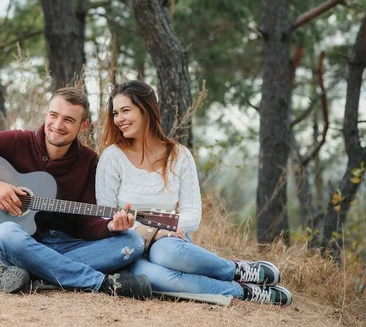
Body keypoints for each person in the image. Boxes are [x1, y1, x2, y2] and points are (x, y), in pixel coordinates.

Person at [0, 87, 151, 299]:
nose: (57, 125)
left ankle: (32, 274)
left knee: (132, 242)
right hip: (19, 244)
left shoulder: (88, 161)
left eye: (68, 120)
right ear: (46, 114)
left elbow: (85, 223)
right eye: (53, 115)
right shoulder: (17, 142)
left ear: (83, 125)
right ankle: (100, 283)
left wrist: (110, 226)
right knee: (5, 233)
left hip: (65, 245)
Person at [95, 80, 293, 306]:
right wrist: (154, 226)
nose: (119, 119)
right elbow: (105, 216)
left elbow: (192, 214)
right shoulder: (112, 157)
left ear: (146, 108)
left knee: (167, 255)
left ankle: (237, 269)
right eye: (115, 113)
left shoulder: (179, 155)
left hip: (168, 240)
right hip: (130, 244)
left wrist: (163, 229)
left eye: (126, 110)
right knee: (158, 279)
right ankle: (242, 290)